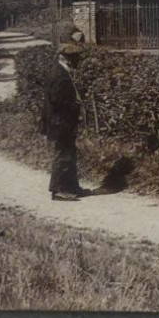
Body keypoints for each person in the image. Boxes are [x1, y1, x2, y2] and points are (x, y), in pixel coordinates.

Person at [41, 41, 88, 200]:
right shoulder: (59, 74)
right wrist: (75, 105)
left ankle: (71, 186)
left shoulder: (62, 71)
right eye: (75, 57)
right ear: (66, 58)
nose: (77, 60)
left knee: (69, 152)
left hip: (64, 121)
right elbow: (56, 100)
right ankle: (58, 190)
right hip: (60, 122)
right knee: (63, 154)